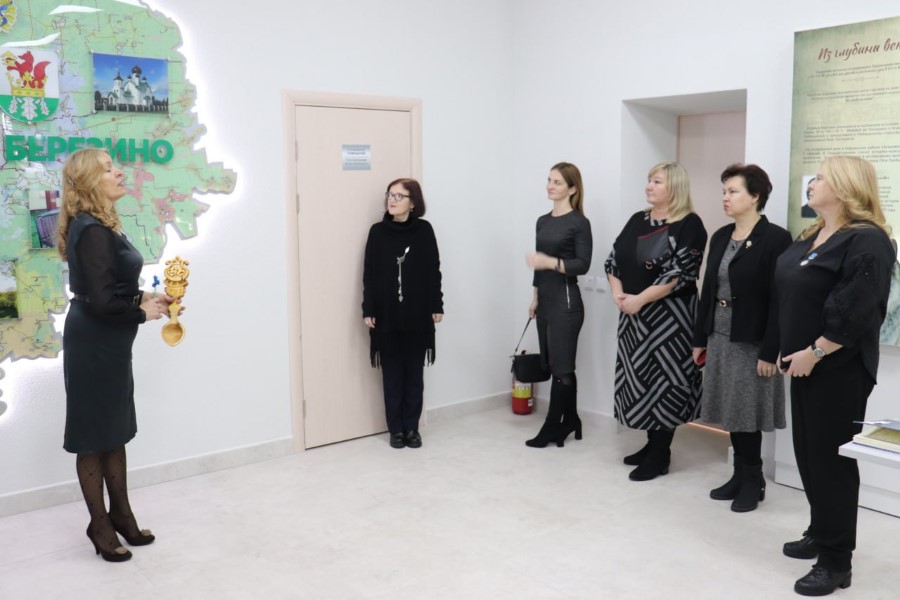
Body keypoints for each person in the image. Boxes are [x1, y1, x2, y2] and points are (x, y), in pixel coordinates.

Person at [775, 156, 894, 596]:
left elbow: (859, 310)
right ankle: (820, 530)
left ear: (845, 186)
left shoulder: (869, 240)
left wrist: (815, 351)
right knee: (809, 456)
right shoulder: (814, 234)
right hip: (803, 364)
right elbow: (790, 293)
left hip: (838, 369)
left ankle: (836, 561)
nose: (812, 183)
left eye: (821, 177)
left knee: (831, 463)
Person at [57, 148, 176, 562]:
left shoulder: (101, 225)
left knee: (114, 431)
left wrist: (147, 298)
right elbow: (101, 301)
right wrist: (142, 314)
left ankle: (122, 515)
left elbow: (110, 288)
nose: (119, 172)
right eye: (109, 168)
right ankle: (100, 525)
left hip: (109, 342)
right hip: (94, 344)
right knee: (94, 436)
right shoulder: (90, 229)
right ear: (91, 181)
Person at [692, 164, 792, 512]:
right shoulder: (721, 236)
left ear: (755, 196)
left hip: (752, 340)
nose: (725, 197)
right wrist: (700, 337)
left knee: (747, 413)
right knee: (731, 411)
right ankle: (739, 475)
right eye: (724, 191)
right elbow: (708, 288)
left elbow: (780, 300)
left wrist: (770, 350)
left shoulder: (776, 238)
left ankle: (754, 480)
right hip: (720, 335)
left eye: (733, 191)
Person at [605, 161, 707, 481]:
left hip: (671, 320)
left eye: (657, 181)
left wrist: (640, 299)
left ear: (675, 186)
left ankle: (661, 453)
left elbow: (679, 273)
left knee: (666, 382)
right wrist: (619, 294)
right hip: (633, 316)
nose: (649, 185)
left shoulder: (689, 224)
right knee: (640, 380)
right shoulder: (638, 219)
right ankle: (651, 445)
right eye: (649, 180)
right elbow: (613, 259)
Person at [363, 178, 443, 449]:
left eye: (399, 196)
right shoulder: (377, 232)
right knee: (392, 376)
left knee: (414, 377)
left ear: (413, 202)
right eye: (390, 194)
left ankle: (412, 427)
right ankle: (396, 429)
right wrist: (368, 308)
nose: (392, 200)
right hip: (386, 316)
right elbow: (369, 274)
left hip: (418, 315)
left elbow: (433, 270)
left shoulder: (424, 231)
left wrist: (437, 304)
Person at [524, 162, 592, 448]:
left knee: (562, 368)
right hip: (546, 301)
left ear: (572, 189)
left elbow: (583, 264)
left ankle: (552, 426)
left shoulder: (579, 222)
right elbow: (538, 267)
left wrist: (550, 262)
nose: (550, 186)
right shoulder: (542, 221)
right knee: (554, 365)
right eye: (549, 180)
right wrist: (535, 297)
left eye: (557, 182)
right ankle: (571, 419)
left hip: (566, 304)